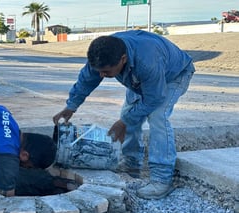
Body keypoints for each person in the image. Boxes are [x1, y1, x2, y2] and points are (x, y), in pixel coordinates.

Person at [53, 30, 195, 200]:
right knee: (128, 114)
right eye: (99, 71)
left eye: (106, 72)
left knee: (157, 117)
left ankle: (161, 179)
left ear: (123, 59)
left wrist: (124, 122)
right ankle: (131, 165)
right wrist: (71, 106)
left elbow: (154, 99)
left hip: (173, 75)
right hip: (141, 78)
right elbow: (87, 79)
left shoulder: (147, 61)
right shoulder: (103, 53)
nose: (101, 75)